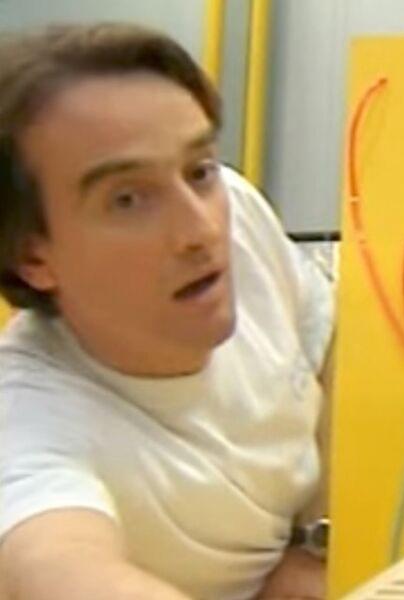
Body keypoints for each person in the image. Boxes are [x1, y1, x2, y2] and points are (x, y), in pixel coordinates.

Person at [0, 23, 334, 600]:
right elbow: (54, 565)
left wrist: (314, 541)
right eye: (128, 199)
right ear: (34, 256)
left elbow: (328, 349)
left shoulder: (237, 213)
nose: (201, 230)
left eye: (199, 169)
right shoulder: (29, 421)